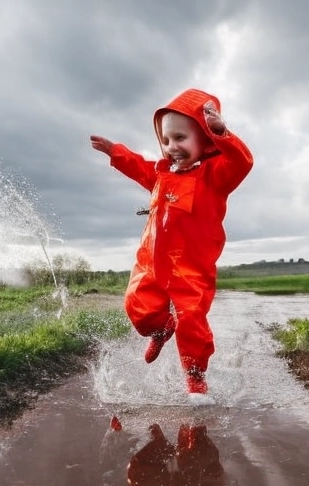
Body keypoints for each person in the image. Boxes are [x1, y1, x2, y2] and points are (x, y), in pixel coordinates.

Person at [90, 88, 253, 395]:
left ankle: (194, 377)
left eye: (181, 138)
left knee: (191, 320)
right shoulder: (162, 175)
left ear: (204, 140)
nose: (171, 147)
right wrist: (116, 152)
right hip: (151, 262)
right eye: (165, 140)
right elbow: (140, 166)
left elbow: (242, 162)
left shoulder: (215, 176)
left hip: (191, 267)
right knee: (137, 306)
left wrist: (223, 134)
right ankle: (162, 328)